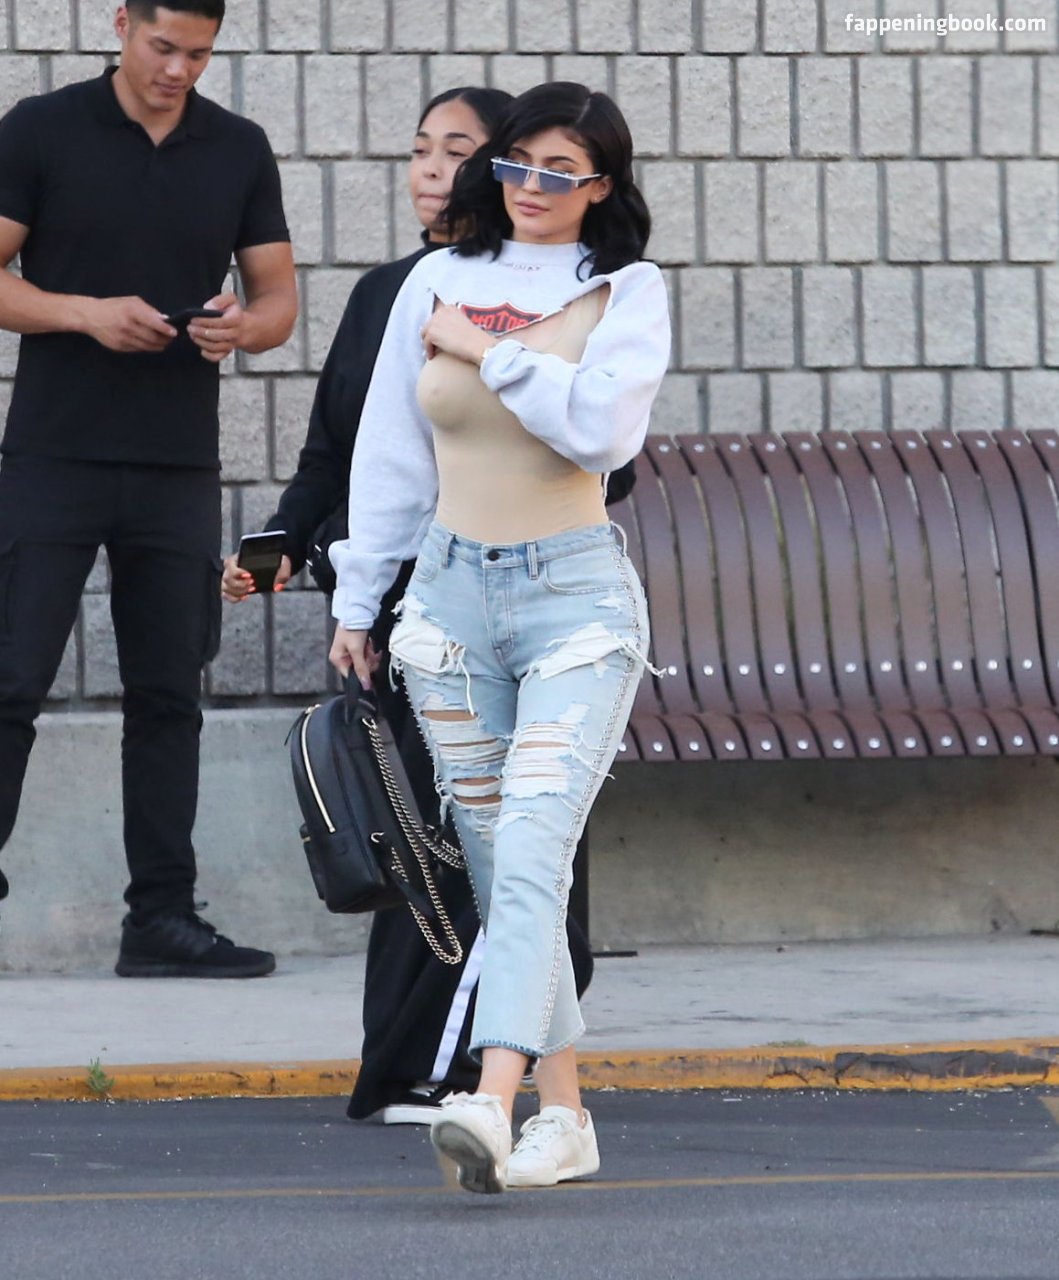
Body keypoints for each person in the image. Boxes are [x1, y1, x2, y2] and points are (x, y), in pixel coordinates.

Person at [223, 87, 613, 1124]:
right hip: (399, 600)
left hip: (511, 591)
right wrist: (280, 554)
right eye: (421, 149)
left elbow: (600, 460)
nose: (435, 170)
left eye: (461, 150)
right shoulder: (390, 292)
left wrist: (495, 367)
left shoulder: (576, 293)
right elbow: (342, 455)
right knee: (417, 833)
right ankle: (425, 1064)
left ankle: (465, 1070)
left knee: (498, 839)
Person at [328, 81, 670, 1193]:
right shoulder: (436, 277)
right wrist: (358, 601)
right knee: (495, 862)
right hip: (446, 604)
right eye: (518, 164)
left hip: (574, 604)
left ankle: (490, 1090)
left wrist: (486, 348)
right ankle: (565, 1116)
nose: (532, 187)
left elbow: (600, 432)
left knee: (529, 849)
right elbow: (390, 450)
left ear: (601, 186)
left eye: (561, 172)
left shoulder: (624, 289)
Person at [0, 1, 297, 977]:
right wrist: (83, 314)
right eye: (164, 47)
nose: (179, 69)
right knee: (9, 682)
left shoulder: (237, 147)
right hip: (52, 457)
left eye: (199, 54)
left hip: (177, 466)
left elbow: (277, 301)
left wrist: (240, 328)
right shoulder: (41, 129)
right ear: (122, 23)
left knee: (169, 696)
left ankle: (161, 921)